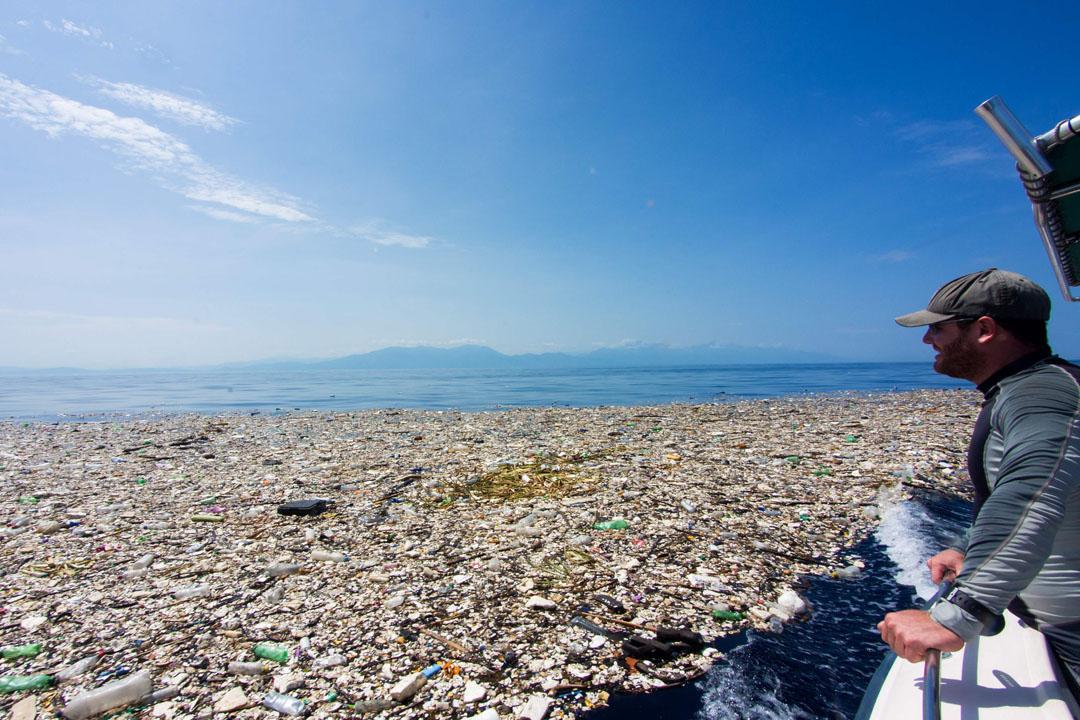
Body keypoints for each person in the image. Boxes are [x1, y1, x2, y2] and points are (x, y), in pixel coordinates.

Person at [877, 267, 1080, 694]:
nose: (927, 340)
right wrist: (971, 548)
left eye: (938, 329)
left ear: (984, 329)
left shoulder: (1041, 394)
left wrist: (958, 614)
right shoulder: (1026, 388)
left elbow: (1031, 493)